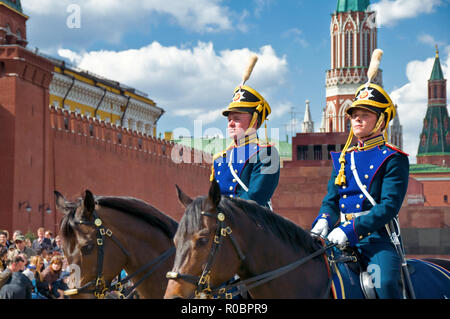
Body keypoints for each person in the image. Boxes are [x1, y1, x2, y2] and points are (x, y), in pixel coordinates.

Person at [311, 76, 409, 298]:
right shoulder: (344, 158)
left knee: (384, 283)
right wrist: (324, 219)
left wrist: (350, 229)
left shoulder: (393, 158)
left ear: (382, 120)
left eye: (365, 115)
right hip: (337, 238)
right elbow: (331, 200)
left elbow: (388, 207)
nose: (357, 119)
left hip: (376, 239)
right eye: (354, 115)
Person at [211, 55, 280, 209]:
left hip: (253, 225)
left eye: (236, 118)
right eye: (229, 119)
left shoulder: (266, 154)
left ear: (254, 121)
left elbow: (255, 198)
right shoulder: (221, 158)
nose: (230, 123)